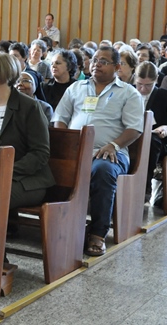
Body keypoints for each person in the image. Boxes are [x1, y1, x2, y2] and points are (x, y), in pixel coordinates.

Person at [52, 46, 144, 256]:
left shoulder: (128, 93)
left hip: (110, 152)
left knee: (103, 170)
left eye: (103, 61)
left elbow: (134, 128)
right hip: (75, 150)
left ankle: (98, 233)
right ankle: (57, 225)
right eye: (94, 60)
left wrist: (114, 145)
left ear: (117, 67)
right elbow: (60, 119)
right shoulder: (76, 88)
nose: (96, 64)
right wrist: (66, 145)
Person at [0, 52, 54, 218]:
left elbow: (40, 153)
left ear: (4, 73)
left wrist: (4, 170)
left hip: (27, 180)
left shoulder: (29, 107)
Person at [135, 61, 167, 203]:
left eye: (148, 85)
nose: (143, 89)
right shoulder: (129, 92)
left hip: (158, 142)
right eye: (139, 84)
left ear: (156, 80)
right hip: (132, 137)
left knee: (150, 142)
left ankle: (144, 188)